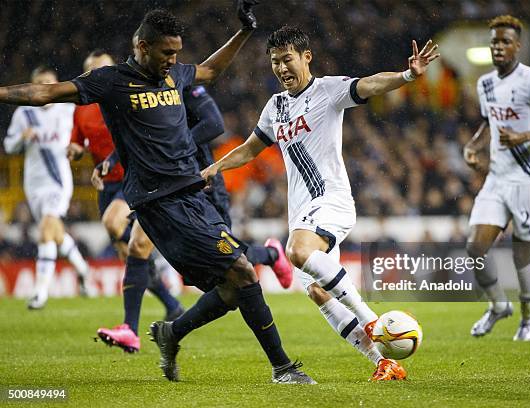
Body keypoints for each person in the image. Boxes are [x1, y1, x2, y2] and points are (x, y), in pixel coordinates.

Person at [0, 6, 314, 384]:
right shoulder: (112, 81)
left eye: (177, 53)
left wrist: (245, 31)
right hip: (159, 203)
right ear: (142, 46)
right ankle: (282, 368)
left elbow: (210, 70)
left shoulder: (175, 75)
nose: (174, 61)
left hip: (195, 195)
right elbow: (46, 92)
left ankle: (172, 332)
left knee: (232, 288)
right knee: (242, 272)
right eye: (167, 53)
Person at [202, 25, 439, 381]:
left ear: (306, 57)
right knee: (316, 290)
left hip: (331, 200)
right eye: (274, 62)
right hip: (302, 211)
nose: (281, 68)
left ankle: (370, 318)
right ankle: (382, 362)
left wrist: (407, 75)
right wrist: (217, 166)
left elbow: (369, 84)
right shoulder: (276, 106)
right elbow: (252, 147)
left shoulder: (328, 91)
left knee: (296, 250)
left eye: (287, 60)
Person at [67, 50, 184, 353]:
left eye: (105, 68)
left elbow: (135, 135)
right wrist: (76, 151)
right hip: (107, 185)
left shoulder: (122, 97)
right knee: (129, 253)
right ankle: (171, 306)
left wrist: (110, 159)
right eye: (94, 71)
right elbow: (79, 142)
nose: (101, 75)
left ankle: (132, 324)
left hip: (135, 176)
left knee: (113, 223)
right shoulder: (81, 110)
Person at [463, 15, 530, 341]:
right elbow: (489, 123)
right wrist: (474, 144)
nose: (498, 46)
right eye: (494, 41)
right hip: (498, 177)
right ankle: (498, 306)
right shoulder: (485, 84)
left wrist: (525, 137)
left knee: (520, 255)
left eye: (505, 41)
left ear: (517, 47)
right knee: (475, 248)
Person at [3, 66, 91, 310]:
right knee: (54, 232)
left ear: (55, 85)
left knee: (45, 229)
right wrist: (22, 138)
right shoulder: (24, 114)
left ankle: (40, 293)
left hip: (58, 181)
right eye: (39, 82)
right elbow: (9, 146)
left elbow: (83, 137)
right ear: (32, 86)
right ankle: (83, 269)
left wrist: (78, 148)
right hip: (33, 184)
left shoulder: (68, 110)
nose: (43, 87)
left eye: (48, 83)